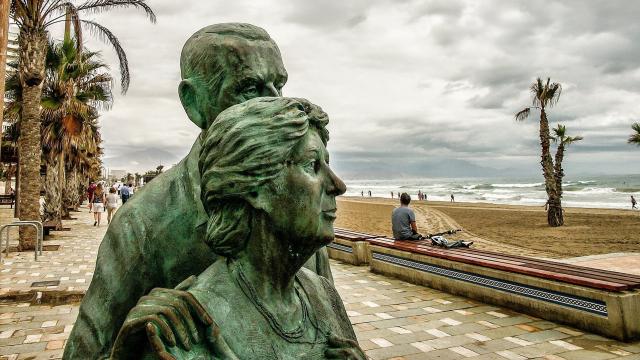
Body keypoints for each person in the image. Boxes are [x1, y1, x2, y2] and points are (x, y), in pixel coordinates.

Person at [64, 24, 333, 360]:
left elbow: (329, 326)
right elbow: (84, 352)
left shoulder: (298, 205)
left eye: (278, 85)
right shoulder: (143, 224)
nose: (274, 103)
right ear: (194, 102)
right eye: (249, 89)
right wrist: (129, 346)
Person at [114, 97, 364, 360]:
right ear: (255, 186)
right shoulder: (186, 330)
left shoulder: (324, 295)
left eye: (328, 164)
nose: (338, 184)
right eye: (312, 165)